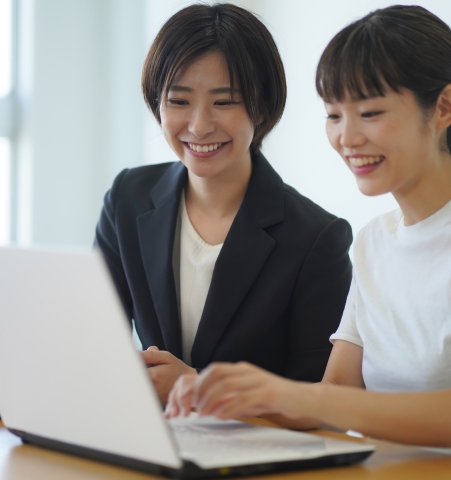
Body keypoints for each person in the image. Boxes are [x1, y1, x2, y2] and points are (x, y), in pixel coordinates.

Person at [166, 5, 451, 447]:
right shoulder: (375, 240)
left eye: (370, 113)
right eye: (334, 115)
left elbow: (331, 405)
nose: (348, 138)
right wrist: (227, 393)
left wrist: (295, 395)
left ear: (444, 108)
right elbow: (336, 394)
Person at [95, 3, 352, 405]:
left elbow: (321, 403)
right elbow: (96, 339)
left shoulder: (316, 238)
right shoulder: (127, 199)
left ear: (262, 107)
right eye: (179, 101)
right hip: (150, 441)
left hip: (257, 454)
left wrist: (199, 390)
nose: (198, 125)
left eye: (224, 101)